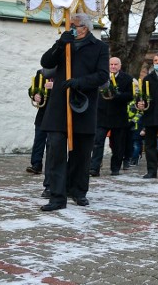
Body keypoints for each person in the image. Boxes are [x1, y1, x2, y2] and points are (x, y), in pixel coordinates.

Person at [39, 12, 109, 211]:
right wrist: (60, 44)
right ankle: (57, 196)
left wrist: (79, 82)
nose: (70, 28)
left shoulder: (100, 48)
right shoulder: (65, 44)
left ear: (84, 28)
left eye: (73, 25)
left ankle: (78, 191)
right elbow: (46, 63)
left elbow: (102, 75)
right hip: (59, 107)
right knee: (56, 152)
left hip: (83, 106)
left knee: (81, 154)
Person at [89, 57, 134, 176]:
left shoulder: (127, 79)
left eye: (115, 64)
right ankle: (94, 168)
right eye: (111, 64)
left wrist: (118, 95)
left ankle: (115, 168)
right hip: (101, 115)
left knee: (118, 144)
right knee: (97, 142)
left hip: (118, 116)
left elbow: (130, 96)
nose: (113, 66)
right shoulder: (101, 77)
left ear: (120, 65)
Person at [27, 68, 55, 176]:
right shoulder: (41, 73)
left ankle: (51, 166)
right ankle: (36, 164)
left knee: (52, 142)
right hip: (43, 113)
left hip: (56, 113)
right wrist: (34, 95)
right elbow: (32, 88)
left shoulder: (62, 72)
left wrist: (54, 86)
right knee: (39, 139)